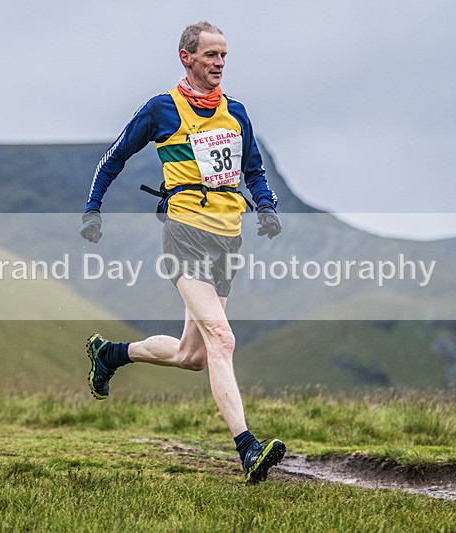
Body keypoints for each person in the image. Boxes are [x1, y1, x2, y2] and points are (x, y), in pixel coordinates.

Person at [79, 21, 284, 483]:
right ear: (186, 58)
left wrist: (267, 205)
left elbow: (254, 169)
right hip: (184, 232)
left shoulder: (236, 113)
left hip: (227, 237)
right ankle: (248, 449)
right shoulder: (161, 109)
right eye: (211, 55)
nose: (219, 64)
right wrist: (93, 208)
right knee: (222, 338)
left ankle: (111, 355)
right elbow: (112, 157)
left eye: (224, 56)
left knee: (194, 355)